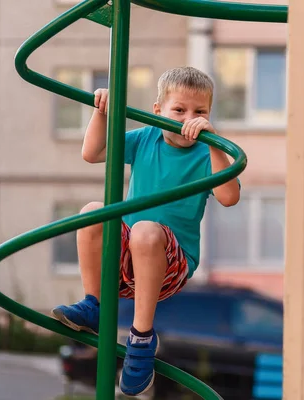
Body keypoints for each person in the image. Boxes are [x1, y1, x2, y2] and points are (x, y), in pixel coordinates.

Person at [51, 66, 241, 396]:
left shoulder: (206, 153)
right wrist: (101, 113)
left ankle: (141, 336)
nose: (187, 120)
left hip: (170, 265)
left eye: (199, 112)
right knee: (93, 213)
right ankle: (94, 303)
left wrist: (213, 144)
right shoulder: (146, 138)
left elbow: (229, 197)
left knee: (146, 231)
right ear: (158, 110)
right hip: (125, 261)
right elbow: (92, 152)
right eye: (178, 110)